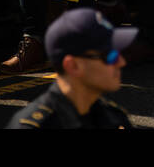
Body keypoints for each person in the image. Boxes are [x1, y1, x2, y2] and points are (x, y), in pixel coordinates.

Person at [7, 8, 136, 128]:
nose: (121, 62)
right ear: (72, 65)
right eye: (110, 55)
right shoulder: (31, 125)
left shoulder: (114, 117)